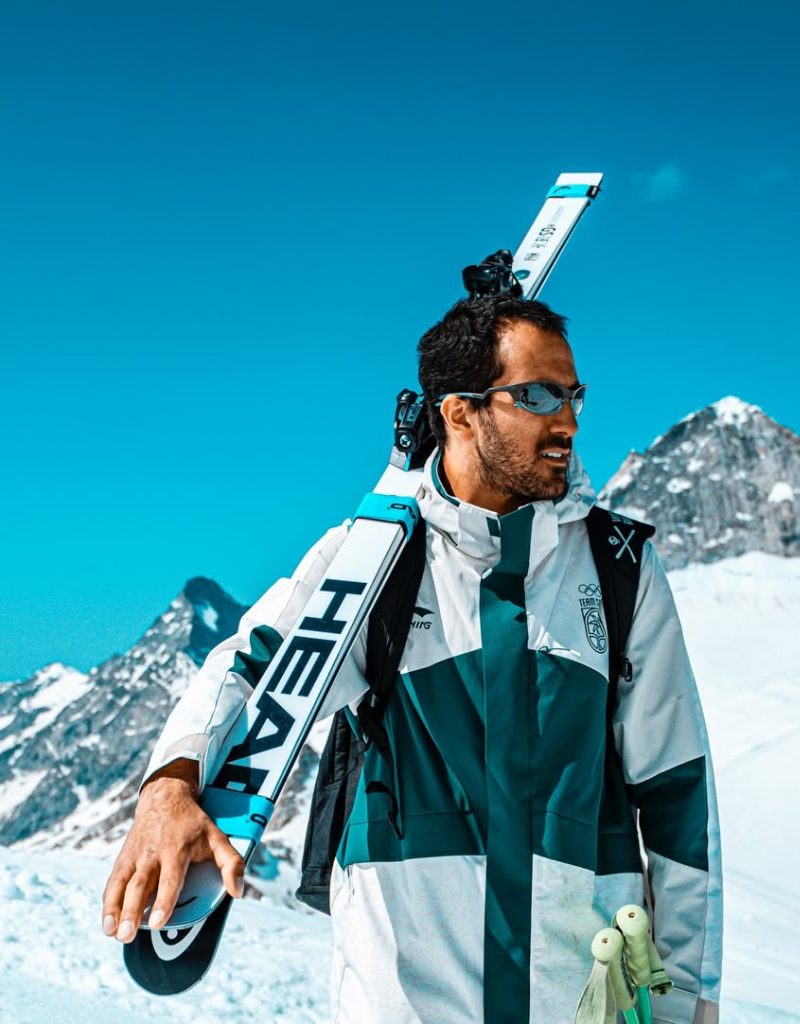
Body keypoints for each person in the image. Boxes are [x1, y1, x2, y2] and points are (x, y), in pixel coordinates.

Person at [102, 295, 723, 1024]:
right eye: (539, 396)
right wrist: (168, 786)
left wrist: (690, 1002)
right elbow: (250, 665)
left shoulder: (619, 568)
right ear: (460, 413)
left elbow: (679, 795)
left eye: (573, 394)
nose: (569, 421)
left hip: (583, 999)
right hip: (405, 1000)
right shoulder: (374, 561)